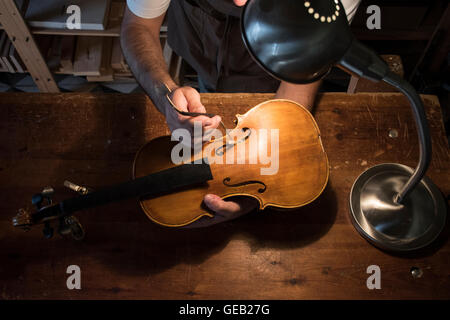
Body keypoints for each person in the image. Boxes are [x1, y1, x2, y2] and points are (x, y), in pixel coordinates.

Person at [121, 0, 361, 227]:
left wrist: (256, 189)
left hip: (271, 81)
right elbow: (138, 26)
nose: (237, 3)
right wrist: (166, 95)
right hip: (202, 56)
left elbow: (301, 79)